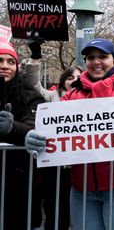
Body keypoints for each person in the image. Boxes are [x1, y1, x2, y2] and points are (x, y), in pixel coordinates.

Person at [25, 38, 114, 230]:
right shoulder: (73, 94)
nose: (96, 61)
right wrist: (35, 138)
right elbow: (54, 130)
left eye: (103, 56)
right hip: (83, 190)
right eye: (90, 57)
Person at [23, 39, 79, 230]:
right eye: (70, 78)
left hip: (79, 164)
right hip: (54, 164)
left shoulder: (91, 99)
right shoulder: (51, 97)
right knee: (54, 205)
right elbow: (32, 83)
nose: (74, 81)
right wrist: (36, 57)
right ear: (64, 81)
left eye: (78, 77)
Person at [0, 41, 44, 230]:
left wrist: (12, 127)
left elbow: (35, 128)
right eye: (0, 60)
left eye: (11, 62)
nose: (5, 66)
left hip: (19, 180)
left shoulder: (30, 95)